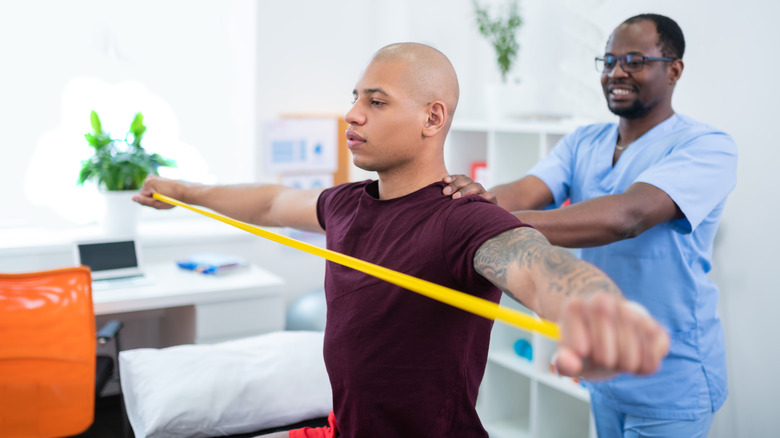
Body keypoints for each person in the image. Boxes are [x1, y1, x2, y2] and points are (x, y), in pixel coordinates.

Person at [134, 42, 669, 438]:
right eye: (355, 98)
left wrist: (593, 306)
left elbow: (533, 263)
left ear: (431, 118)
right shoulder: (346, 203)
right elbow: (272, 203)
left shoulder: (461, 217)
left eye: (377, 101)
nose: (353, 113)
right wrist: (185, 189)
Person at [443, 14, 737, 438]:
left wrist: (482, 222)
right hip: (604, 370)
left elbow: (627, 217)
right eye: (608, 60)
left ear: (674, 69)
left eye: (634, 61)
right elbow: (526, 190)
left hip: (672, 381)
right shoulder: (585, 141)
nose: (616, 73)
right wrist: (469, 200)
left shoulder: (707, 146)